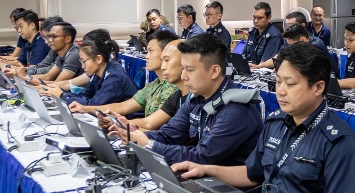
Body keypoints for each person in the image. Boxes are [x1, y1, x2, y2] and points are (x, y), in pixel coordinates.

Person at [173, 43, 355, 193]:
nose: (280, 91)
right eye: (278, 81)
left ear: (318, 87)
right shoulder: (276, 123)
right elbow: (251, 174)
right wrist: (205, 169)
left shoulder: (338, 140)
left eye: (290, 84)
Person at [112, 34, 263, 166]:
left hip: (232, 189)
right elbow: (169, 135)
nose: (184, 76)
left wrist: (149, 144)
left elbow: (202, 156)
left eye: (190, 70)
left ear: (214, 71)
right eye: (183, 68)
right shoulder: (197, 99)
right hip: (201, 178)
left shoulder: (235, 110)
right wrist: (134, 135)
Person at [69, 30, 179, 119]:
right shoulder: (154, 85)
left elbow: (151, 125)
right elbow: (123, 106)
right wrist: (85, 109)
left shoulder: (173, 89)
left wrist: (124, 126)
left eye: (151, 51)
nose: (146, 56)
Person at [46, 38, 137, 106]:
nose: (82, 66)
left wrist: (62, 96)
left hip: (129, 123)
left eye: (84, 61)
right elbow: (85, 95)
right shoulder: (98, 72)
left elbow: (94, 105)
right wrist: (60, 92)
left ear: (98, 59)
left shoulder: (115, 78)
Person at [253, 11, 318, 69]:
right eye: (286, 25)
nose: (287, 28)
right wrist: (259, 66)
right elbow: (278, 58)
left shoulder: (316, 45)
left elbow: (307, 67)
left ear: (302, 26)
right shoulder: (290, 40)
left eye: (290, 25)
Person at [245, 1, 283, 67]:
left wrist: (256, 67)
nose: (256, 21)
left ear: (269, 18)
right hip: (249, 70)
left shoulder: (274, 36)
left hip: (262, 73)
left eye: (260, 18)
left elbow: (264, 63)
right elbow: (243, 55)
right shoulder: (253, 32)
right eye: (254, 17)